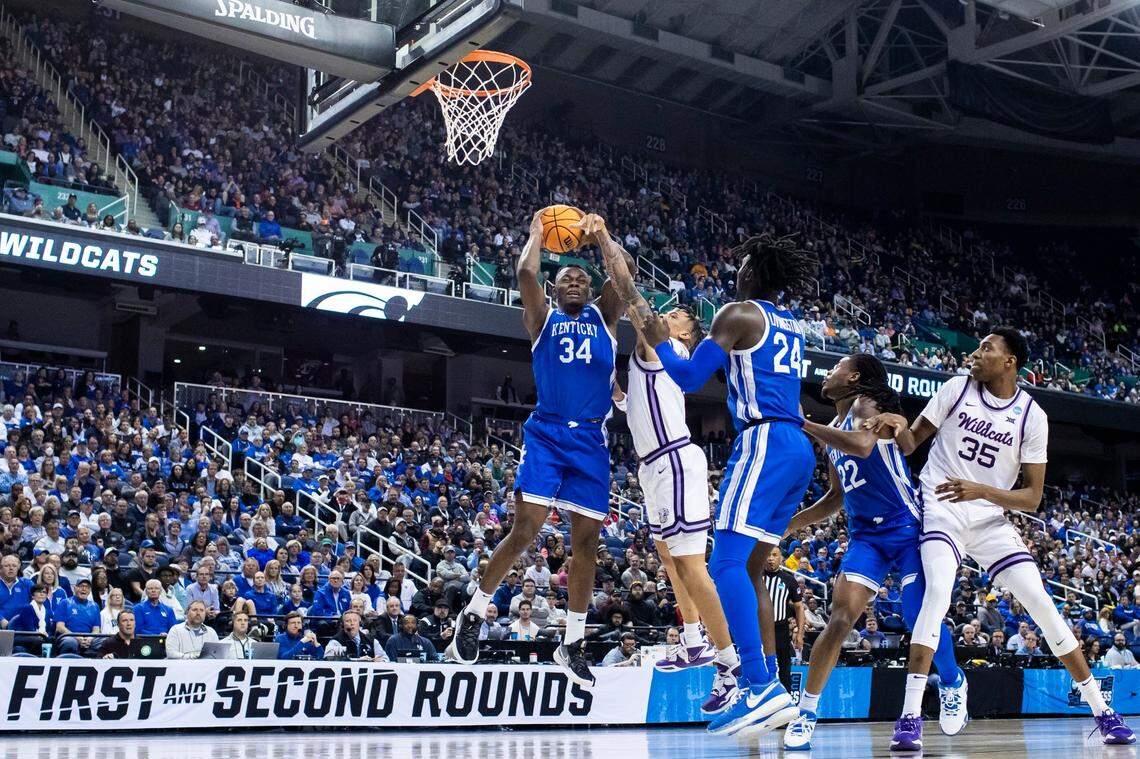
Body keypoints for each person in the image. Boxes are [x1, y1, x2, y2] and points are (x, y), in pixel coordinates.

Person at [867, 328, 1135, 748]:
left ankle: (1103, 712)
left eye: (986, 348)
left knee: (1043, 605)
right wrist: (896, 425)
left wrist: (983, 491)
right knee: (936, 594)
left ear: (1010, 361)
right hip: (942, 506)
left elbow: (1031, 497)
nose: (975, 353)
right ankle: (910, 717)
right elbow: (910, 443)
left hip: (990, 517)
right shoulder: (957, 388)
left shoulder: (1032, 416)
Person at [637, 232, 819, 737]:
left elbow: (691, 377)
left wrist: (656, 341)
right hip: (797, 447)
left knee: (724, 563)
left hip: (764, 442)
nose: (734, 274)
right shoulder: (790, 324)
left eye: (741, 267)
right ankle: (768, 683)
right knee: (753, 570)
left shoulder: (738, 313)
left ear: (753, 275)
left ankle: (759, 684)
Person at [449, 210, 628, 689]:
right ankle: (473, 613)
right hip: (548, 433)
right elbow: (528, 271)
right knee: (526, 529)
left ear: (589, 291)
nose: (573, 282)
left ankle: (571, 642)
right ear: (555, 290)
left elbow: (623, 277)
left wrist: (602, 235)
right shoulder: (541, 320)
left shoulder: (605, 319)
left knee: (587, 543)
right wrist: (536, 232)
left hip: (591, 439)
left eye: (580, 279)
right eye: (565, 278)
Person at [783, 354, 965, 750]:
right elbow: (835, 498)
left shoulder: (870, 406)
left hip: (906, 527)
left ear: (855, 377)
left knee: (918, 615)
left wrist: (802, 422)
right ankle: (806, 714)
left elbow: (864, 447)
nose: (828, 375)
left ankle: (952, 680)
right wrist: (789, 525)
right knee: (840, 619)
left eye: (835, 369)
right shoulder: (833, 429)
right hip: (865, 536)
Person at [595, 216, 739, 712]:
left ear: (686, 332)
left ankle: (729, 666)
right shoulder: (648, 365)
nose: (668, 314)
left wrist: (604, 239)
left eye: (676, 313)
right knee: (667, 556)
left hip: (675, 461)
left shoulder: (669, 346)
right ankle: (695, 638)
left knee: (693, 567)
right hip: (652, 466)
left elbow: (630, 293)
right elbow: (627, 402)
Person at [762, 551, 804, 693]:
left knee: (784, 666)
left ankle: (786, 701)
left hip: (780, 628)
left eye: (774, 555)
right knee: (759, 664)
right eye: (768, 555)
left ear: (781, 558)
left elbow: (799, 606)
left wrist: (800, 634)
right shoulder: (755, 576)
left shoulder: (788, 579)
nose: (770, 558)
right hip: (758, 628)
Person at [54, 577, 101, 656]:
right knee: (70, 642)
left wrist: (90, 638)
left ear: (90, 591)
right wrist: (76, 637)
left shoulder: (95, 606)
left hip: (88, 638)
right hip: (69, 636)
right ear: (75, 588)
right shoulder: (65, 603)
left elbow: (96, 629)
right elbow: (59, 627)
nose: (84, 589)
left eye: (87, 587)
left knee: (106, 641)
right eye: (81, 586)